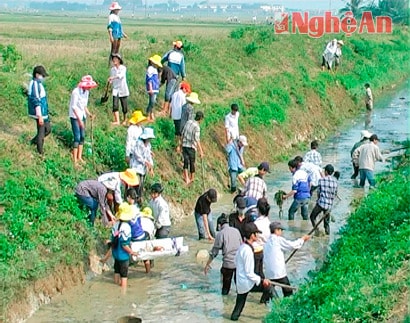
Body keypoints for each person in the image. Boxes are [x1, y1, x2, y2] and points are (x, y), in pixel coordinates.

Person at [230, 223, 275, 321]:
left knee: (238, 308)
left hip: (240, 282)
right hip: (246, 283)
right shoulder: (248, 251)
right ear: (252, 235)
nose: (258, 236)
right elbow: (249, 273)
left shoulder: (242, 247)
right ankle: (278, 309)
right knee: (269, 287)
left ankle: (233, 319)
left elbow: (235, 262)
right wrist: (262, 280)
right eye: (256, 234)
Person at [263, 222, 310, 297]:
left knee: (268, 291)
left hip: (269, 272)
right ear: (276, 230)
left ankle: (263, 302)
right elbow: (293, 245)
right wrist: (303, 239)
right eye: (280, 230)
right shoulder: (278, 240)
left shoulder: (266, 241)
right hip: (278, 272)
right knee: (288, 291)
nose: (281, 232)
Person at [204, 213, 242, 295]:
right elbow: (242, 246)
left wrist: (207, 264)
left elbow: (214, 252)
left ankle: (225, 305)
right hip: (239, 264)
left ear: (219, 225)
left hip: (228, 265)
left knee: (225, 290)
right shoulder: (236, 231)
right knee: (240, 289)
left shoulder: (220, 234)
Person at [110, 202, 139, 294]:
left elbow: (113, 239)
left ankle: (115, 288)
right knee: (124, 275)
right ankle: (122, 293)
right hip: (123, 256)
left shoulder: (115, 225)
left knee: (116, 270)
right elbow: (124, 245)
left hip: (115, 253)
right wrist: (132, 252)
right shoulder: (126, 227)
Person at [68, 75, 97, 166]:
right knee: (77, 136)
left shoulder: (86, 92)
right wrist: (79, 120)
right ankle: (75, 159)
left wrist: (89, 114)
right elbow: (74, 107)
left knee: (82, 136)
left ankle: (79, 157)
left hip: (82, 115)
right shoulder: (75, 92)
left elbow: (84, 106)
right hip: (75, 116)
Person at [28, 65, 51, 155]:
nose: (43, 77)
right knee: (41, 132)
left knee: (48, 129)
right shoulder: (34, 84)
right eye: (42, 75)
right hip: (39, 113)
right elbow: (36, 100)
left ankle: (34, 141)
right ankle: (40, 152)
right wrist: (40, 115)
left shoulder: (38, 84)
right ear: (37, 75)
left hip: (44, 112)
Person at [309, 164, 338, 235]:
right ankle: (327, 235)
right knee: (327, 222)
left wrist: (318, 200)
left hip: (321, 203)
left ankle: (317, 230)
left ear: (326, 172)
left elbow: (319, 192)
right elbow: (335, 194)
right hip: (329, 205)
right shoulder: (335, 181)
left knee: (312, 216)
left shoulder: (321, 180)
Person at [130, 127, 155, 196]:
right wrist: (145, 162)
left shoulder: (148, 145)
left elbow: (148, 156)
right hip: (136, 167)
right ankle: (132, 197)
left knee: (141, 185)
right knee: (136, 184)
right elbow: (137, 155)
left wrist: (151, 167)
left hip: (143, 169)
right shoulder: (139, 143)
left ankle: (138, 198)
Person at [181, 111, 204, 185]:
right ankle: (192, 178)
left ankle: (186, 177)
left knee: (186, 161)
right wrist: (201, 151)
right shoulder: (197, 127)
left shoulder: (188, 122)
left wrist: (180, 144)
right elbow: (197, 139)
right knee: (192, 162)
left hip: (184, 144)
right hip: (191, 146)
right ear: (200, 119)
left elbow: (183, 133)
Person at [252, 198, 271, 278]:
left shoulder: (256, 224)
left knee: (256, 272)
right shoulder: (269, 223)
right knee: (262, 272)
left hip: (256, 251)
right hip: (266, 251)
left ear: (258, 209)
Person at [170, 81, 191, 153]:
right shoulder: (182, 96)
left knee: (177, 131)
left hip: (174, 115)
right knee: (181, 133)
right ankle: (178, 147)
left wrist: (170, 114)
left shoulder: (174, 94)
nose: (186, 93)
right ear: (184, 89)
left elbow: (171, 105)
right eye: (187, 91)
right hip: (180, 116)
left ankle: (177, 144)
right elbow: (184, 107)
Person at [109, 53, 129, 125]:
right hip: (115, 89)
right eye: (113, 59)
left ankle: (125, 119)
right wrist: (110, 81)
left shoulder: (123, 68)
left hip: (123, 88)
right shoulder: (112, 70)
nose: (114, 60)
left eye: (115, 59)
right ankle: (117, 120)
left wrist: (113, 78)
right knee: (115, 105)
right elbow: (112, 78)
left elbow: (121, 76)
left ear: (119, 60)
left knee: (124, 106)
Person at [145, 55, 162, 122]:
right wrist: (150, 87)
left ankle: (151, 113)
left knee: (153, 101)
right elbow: (150, 79)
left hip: (155, 87)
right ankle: (148, 113)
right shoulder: (150, 69)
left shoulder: (154, 69)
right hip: (152, 87)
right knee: (152, 101)